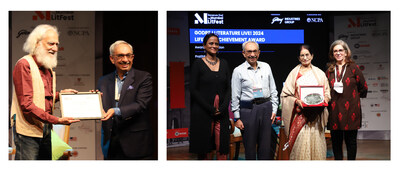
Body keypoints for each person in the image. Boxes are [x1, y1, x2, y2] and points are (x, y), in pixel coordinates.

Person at [10, 24, 80, 160]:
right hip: (28, 131)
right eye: (50, 44)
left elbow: (42, 97)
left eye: (56, 44)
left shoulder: (47, 68)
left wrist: (60, 95)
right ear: (36, 43)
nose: (55, 48)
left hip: (46, 129)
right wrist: (57, 120)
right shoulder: (24, 64)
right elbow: (27, 105)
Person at [97, 40, 153, 160]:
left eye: (128, 55)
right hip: (112, 142)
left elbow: (141, 104)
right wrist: (94, 99)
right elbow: (101, 108)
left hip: (136, 143)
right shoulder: (103, 81)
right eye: (121, 56)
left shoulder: (143, 77)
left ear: (132, 57)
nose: (125, 60)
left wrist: (115, 111)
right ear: (112, 59)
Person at [280, 45, 331, 160]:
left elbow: (327, 92)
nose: (305, 58)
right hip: (300, 116)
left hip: (316, 117)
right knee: (300, 148)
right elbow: (285, 95)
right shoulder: (294, 73)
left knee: (316, 146)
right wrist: (296, 101)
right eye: (302, 55)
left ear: (312, 56)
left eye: (307, 55)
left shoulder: (319, 73)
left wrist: (325, 99)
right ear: (299, 58)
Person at [231, 40, 278, 160]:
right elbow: (235, 96)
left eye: (255, 51)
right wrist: (237, 117)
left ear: (259, 52)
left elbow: (273, 90)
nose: (252, 54)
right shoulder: (238, 71)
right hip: (248, 110)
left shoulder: (266, 66)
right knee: (250, 148)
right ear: (243, 53)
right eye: (249, 51)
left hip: (266, 107)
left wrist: (274, 109)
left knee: (265, 147)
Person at [189, 33, 231, 160]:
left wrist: (223, 108)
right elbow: (193, 89)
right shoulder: (198, 64)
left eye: (216, 43)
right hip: (203, 112)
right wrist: (210, 108)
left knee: (222, 146)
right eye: (211, 43)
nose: (214, 46)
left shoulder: (224, 63)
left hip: (222, 112)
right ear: (204, 46)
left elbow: (228, 88)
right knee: (204, 147)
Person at [326, 40, 368, 160]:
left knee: (351, 142)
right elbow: (325, 90)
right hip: (334, 111)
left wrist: (351, 98)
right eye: (335, 51)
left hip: (351, 111)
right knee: (336, 143)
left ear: (346, 52)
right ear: (332, 54)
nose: (338, 53)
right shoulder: (329, 71)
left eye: (340, 50)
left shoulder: (354, 68)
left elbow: (363, 88)